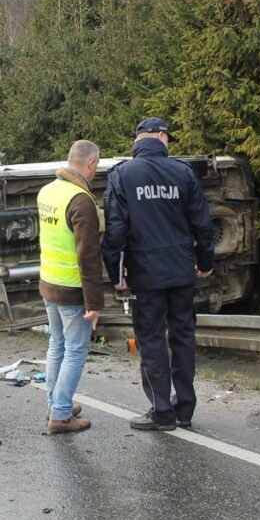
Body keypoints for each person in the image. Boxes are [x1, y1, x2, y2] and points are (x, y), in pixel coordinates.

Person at [101, 117, 214, 431]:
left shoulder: (122, 175)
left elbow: (115, 231)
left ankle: (162, 411)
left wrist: (116, 272)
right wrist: (205, 262)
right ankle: (185, 410)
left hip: (146, 274)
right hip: (180, 271)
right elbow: (202, 224)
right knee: (183, 338)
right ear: (162, 137)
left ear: (138, 140)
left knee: (151, 340)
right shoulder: (183, 173)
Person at [38, 139, 104, 434]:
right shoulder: (81, 200)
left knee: (57, 345)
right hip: (71, 289)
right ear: (90, 164)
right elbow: (88, 256)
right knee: (76, 350)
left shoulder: (48, 191)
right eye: (97, 166)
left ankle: (56, 403)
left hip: (48, 284)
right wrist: (94, 304)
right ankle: (62, 414)